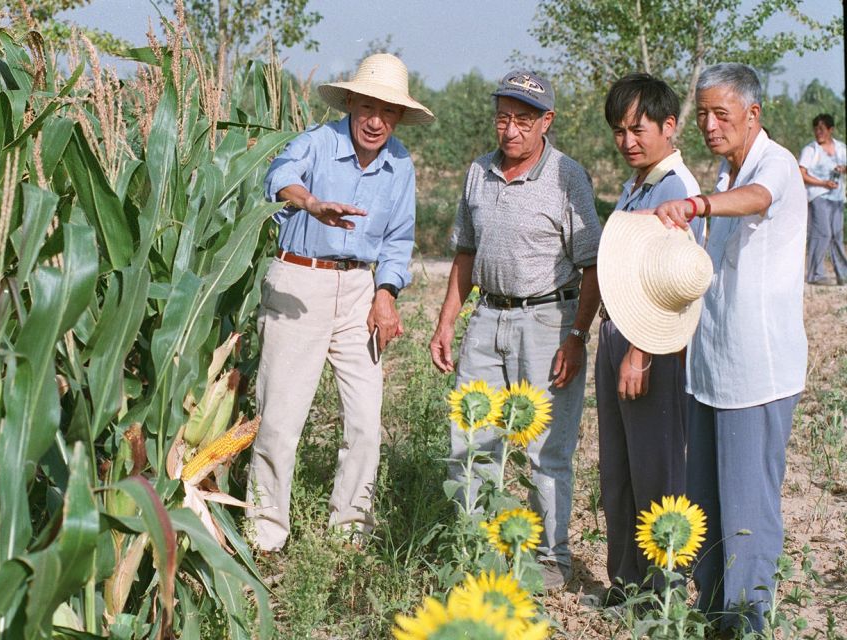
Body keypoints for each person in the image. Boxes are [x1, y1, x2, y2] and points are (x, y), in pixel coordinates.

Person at [247, 53, 435, 552]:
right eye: (368, 107)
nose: (376, 121)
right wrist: (310, 203)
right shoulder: (316, 143)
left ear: (399, 117)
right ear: (350, 102)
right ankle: (265, 533)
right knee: (280, 419)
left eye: (388, 111)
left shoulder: (400, 164)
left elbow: (398, 240)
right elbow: (277, 178)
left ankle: (350, 530)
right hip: (300, 283)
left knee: (366, 421)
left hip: (359, 291)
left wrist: (385, 294)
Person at [647, 63, 808, 634]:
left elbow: (757, 198)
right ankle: (713, 614)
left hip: (756, 371)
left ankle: (747, 622)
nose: (710, 125)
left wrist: (698, 207)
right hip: (712, 365)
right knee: (706, 502)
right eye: (703, 114)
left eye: (722, 113)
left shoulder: (775, 164)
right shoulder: (723, 172)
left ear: (753, 114)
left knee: (747, 510)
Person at [428, 69, 602, 590]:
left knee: (545, 448)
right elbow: (465, 253)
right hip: (487, 317)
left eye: (523, 120)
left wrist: (577, 336)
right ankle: (476, 547)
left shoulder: (568, 176)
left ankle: (549, 560)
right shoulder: (478, 172)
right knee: (472, 437)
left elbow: (591, 264)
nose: (510, 130)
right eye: (503, 118)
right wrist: (446, 322)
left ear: (546, 122)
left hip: (548, 321)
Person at [595, 73, 702, 602]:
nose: (628, 141)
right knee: (619, 469)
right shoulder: (639, 182)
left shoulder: (676, 188)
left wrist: (640, 352)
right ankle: (626, 584)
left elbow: (671, 286)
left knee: (656, 471)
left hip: (652, 345)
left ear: (669, 126)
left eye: (638, 129)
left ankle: (661, 593)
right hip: (618, 333)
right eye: (620, 130)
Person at [799, 113, 847, 285]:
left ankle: (843, 274)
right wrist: (823, 183)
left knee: (836, 235)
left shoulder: (841, 148)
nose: (818, 132)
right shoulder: (810, 150)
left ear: (830, 129)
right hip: (818, 196)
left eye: (822, 129)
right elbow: (801, 174)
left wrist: (843, 169)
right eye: (816, 129)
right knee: (822, 234)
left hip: (837, 197)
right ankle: (815, 274)